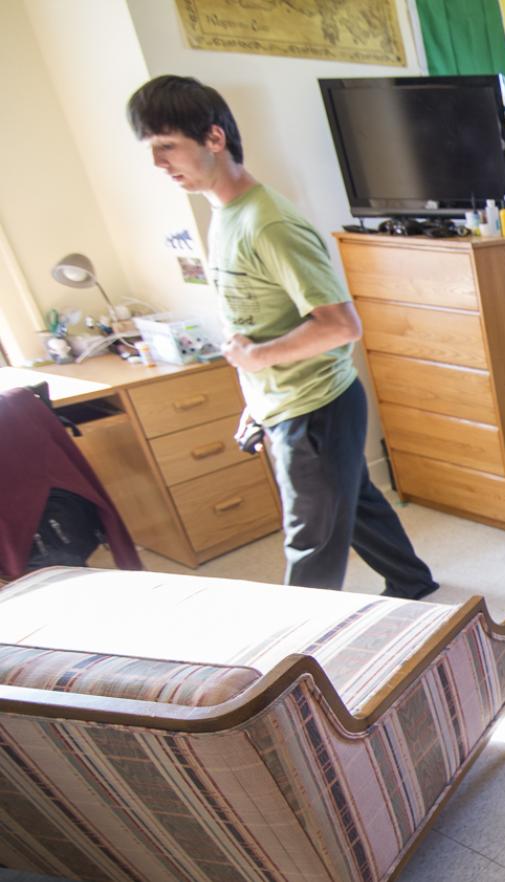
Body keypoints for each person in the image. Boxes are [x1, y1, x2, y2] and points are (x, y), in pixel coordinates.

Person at [126, 75, 437, 600]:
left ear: (214, 138)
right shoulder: (224, 214)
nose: (159, 163)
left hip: (314, 407)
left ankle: (294, 661)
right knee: (355, 501)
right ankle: (411, 582)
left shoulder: (268, 224)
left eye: (166, 147)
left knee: (310, 546)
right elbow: (257, 322)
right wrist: (257, 395)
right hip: (290, 401)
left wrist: (255, 359)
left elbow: (340, 325)